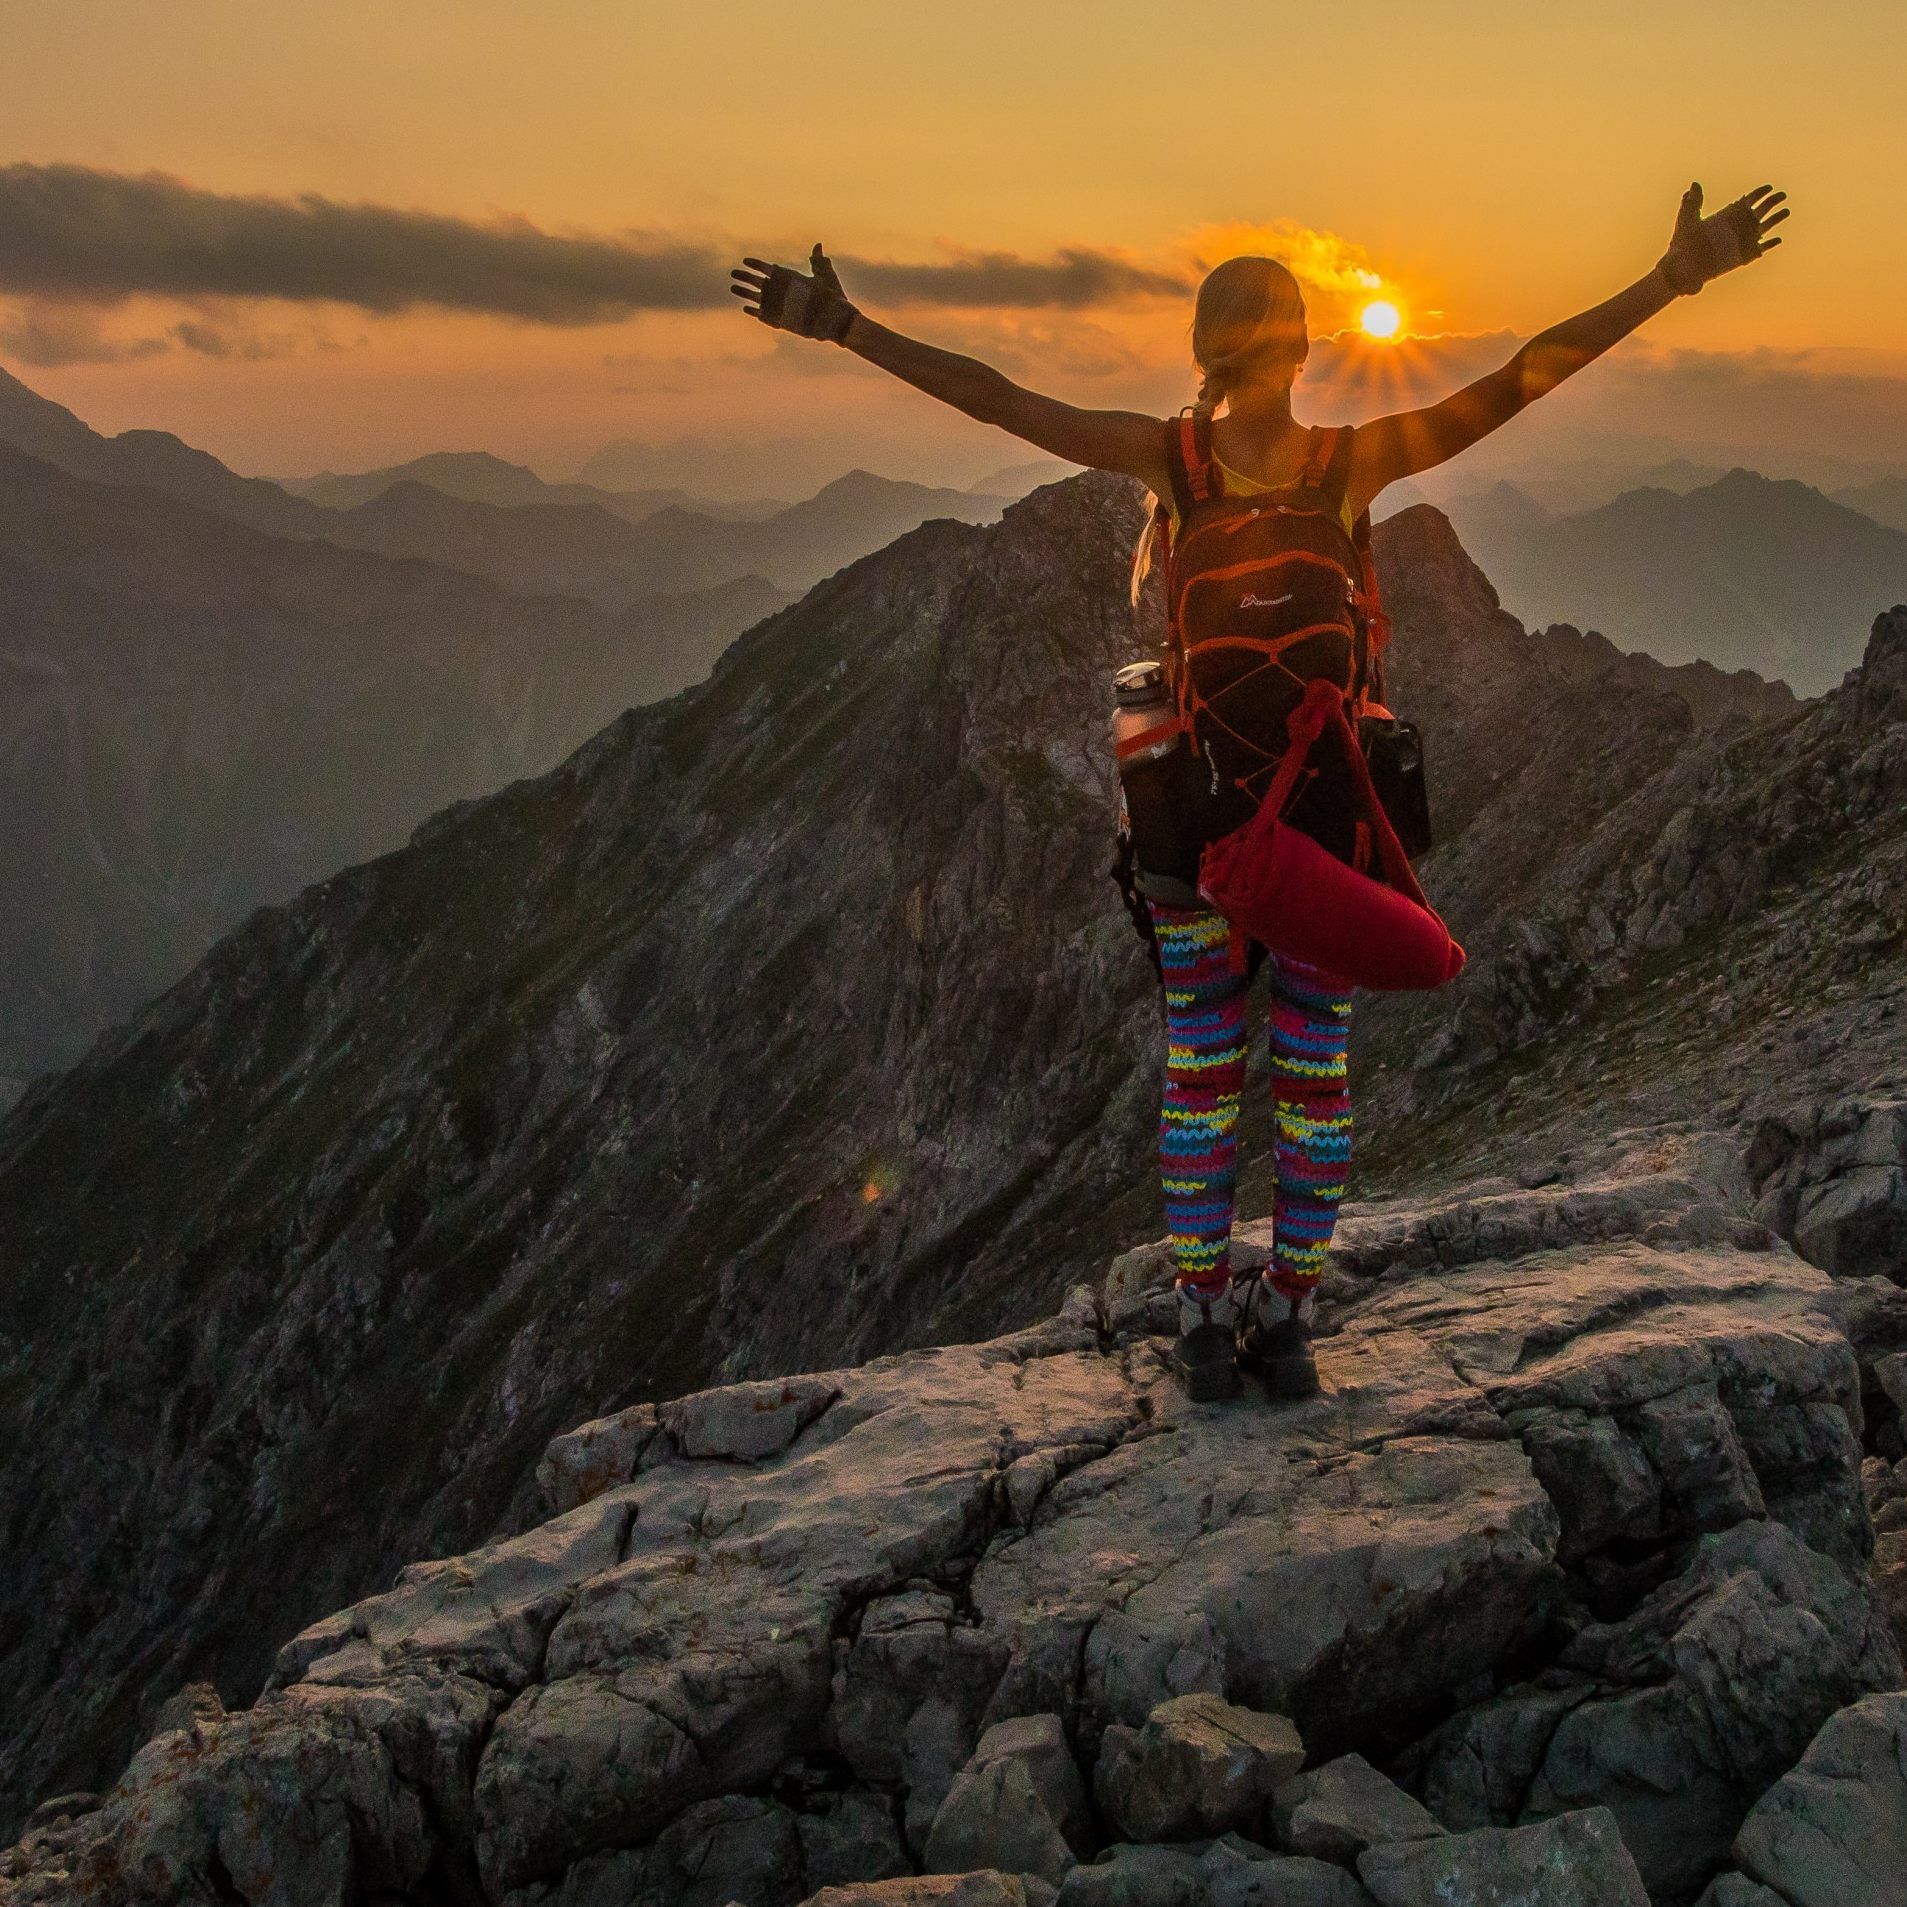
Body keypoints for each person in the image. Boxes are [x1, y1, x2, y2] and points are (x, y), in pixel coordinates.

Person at [731, 181, 1789, 1401]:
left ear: (1203, 350)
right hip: (1326, 831)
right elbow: (1519, 379)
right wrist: (1666, 281)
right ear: (1300, 345)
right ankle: (1282, 1320)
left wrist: (850, 329)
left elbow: (1000, 399)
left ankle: (1197, 1320)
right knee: (1312, 1072)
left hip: (1194, 826)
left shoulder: (1172, 465)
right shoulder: (1348, 467)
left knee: (1200, 1072)